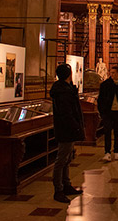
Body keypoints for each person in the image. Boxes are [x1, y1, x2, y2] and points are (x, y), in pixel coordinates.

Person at [50, 64, 84, 203]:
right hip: (66, 129)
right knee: (61, 159)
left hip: (69, 128)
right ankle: (58, 189)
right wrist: (76, 127)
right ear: (69, 74)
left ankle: (66, 184)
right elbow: (66, 113)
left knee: (68, 158)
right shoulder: (62, 92)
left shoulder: (66, 89)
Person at [98, 66, 118, 162]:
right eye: (111, 72)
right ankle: (107, 152)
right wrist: (102, 111)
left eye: (114, 73)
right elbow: (101, 99)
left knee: (117, 131)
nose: (111, 74)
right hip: (107, 112)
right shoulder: (105, 85)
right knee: (107, 131)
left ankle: (116, 151)